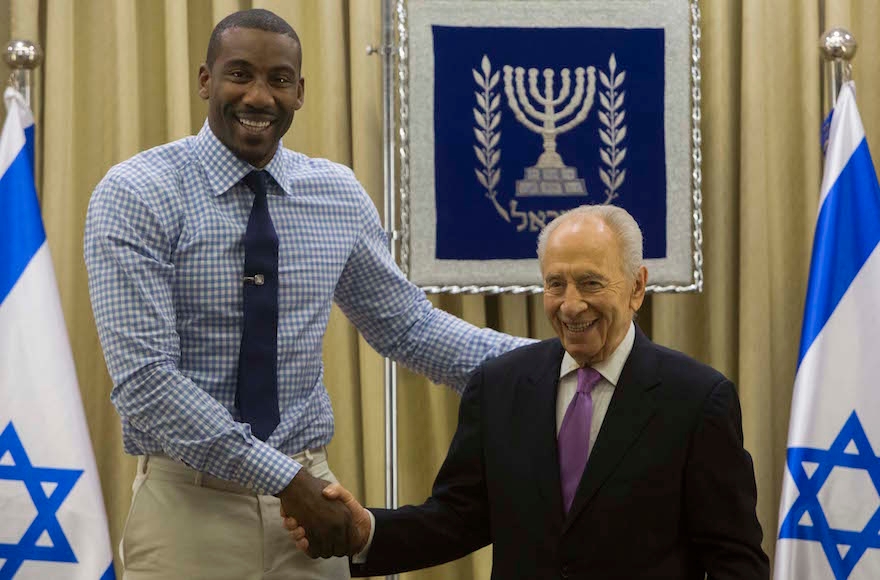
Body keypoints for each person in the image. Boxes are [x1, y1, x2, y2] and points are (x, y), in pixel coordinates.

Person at [83, 8, 530, 580]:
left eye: (279, 80)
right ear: (205, 81)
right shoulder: (137, 193)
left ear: (300, 92)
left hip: (312, 510)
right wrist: (286, 481)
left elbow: (409, 328)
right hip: (190, 510)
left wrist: (549, 365)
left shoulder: (336, 194)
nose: (259, 96)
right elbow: (147, 382)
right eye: (239, 74)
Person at [286, 205, 771, 580]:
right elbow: (459, 517)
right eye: (555, 284)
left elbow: (735, 561)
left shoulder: (697, 400)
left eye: (590, 283)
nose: (570, 304)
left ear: (637, 287)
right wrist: (366, 530)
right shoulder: (500, 386)